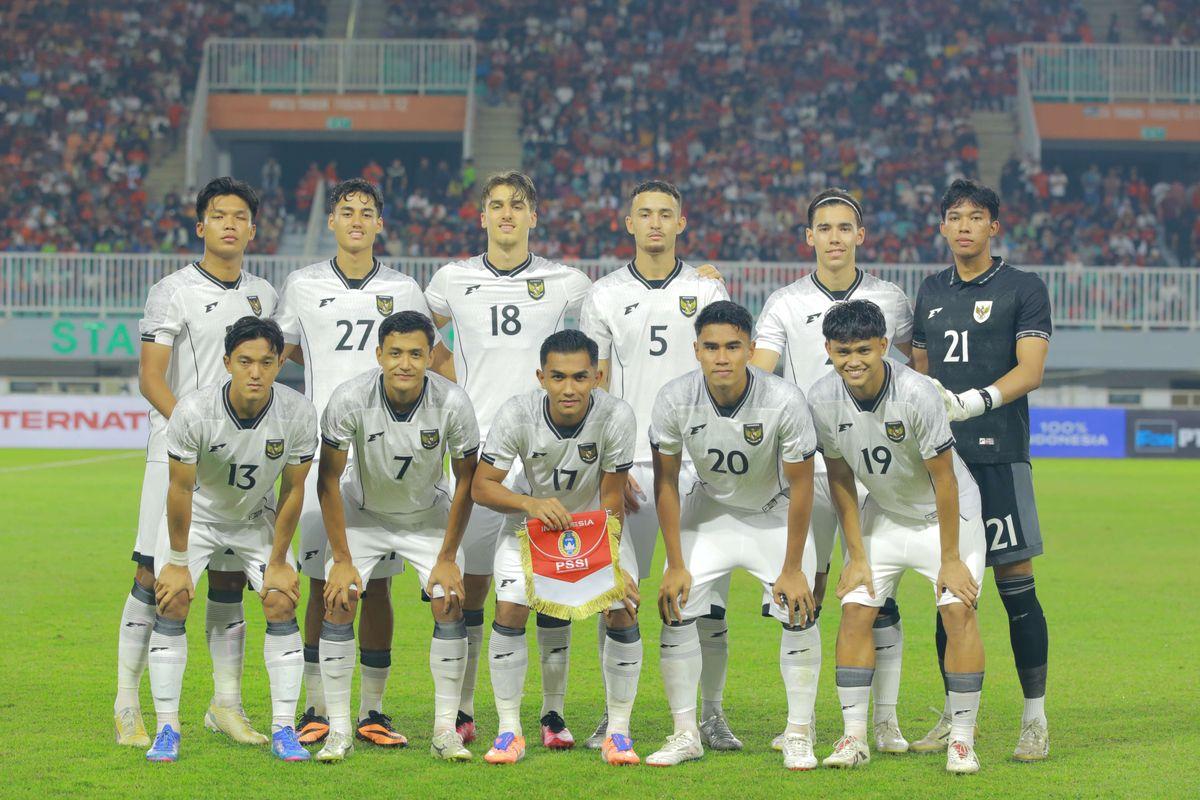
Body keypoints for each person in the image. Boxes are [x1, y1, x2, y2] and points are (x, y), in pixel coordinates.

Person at [275, 178, 451, 747]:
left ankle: (373, 710)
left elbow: (431, 350)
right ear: (331, 221)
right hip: (328, 452)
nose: (356, 220)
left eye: (367, 212)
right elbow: (286, 347)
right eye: (346, 211)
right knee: (323, 579)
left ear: (380, 224)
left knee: (377, 588)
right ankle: (317, 706)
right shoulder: (302, 285)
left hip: (389, 453)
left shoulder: (404, 287)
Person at [425, 171, 592, 747]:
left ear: (533, 216)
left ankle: (550, 714)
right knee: (469, 588)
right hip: (477, 453)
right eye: (496, 205)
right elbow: (422, 340)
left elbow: (619, 317)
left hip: (546, 450)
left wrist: (699, 273)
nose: (506, 214)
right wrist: (456, 384)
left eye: (517, 205)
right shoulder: (452, 278)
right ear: (482, 217)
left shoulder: (566, 281)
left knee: (550, 584)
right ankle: (466, 710)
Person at [750, 187, 914, 753]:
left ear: (861, 235)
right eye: (825, 227)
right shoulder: (784, 304)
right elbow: (761, 378)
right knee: (805, 588)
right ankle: (801, 721)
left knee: (878, 592)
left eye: (846, 227)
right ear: (810, 237)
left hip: (880, 465)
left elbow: (913, 374)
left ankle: (885, 723)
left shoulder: (890, 299)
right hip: (811, 467)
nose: (836, 237)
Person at [117, 177, 277, 748]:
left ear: (253, 229)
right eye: (218, 215)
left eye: (240, 216)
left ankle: (225, 705)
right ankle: (126, 705)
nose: (229, 224)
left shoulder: (265, 295)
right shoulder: (173, 291)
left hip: (243, 463)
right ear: (200, 226)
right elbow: (151, 378)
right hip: (177, 455)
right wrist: (193, 433)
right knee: (152, 576)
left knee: (230, 578)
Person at [579, 179, 736, 750]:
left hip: (696, 467)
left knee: (705, 602)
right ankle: (613, 715)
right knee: (617, 597)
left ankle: (709, 716)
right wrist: (608, 471)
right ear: (627, 222)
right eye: (643, 213)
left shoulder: (706, 287)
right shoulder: (601, 294)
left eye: (664, 214)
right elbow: (594, 385)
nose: (653, 223)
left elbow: (726, 369)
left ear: (681, 223)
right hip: (629, 467)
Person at [807, 299, 986, 775]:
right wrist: (855, 555)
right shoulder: (822, 397)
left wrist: (950, 559)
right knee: (854, 610)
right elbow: (841, 478)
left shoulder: (917, 393)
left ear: (884, 346)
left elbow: (945, 480)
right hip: (884, 513)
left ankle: (963, 741)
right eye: (843, 350)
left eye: (864, 349)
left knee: (957, 611)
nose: (854, 360)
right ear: (828, 349)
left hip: (947, 515)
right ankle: (854, 738)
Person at [911, 178, 1052, 762]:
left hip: (998, 455)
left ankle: (1034, 718)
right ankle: (953, 713)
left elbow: (1032, 370)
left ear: (995, 226)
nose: (964, 226)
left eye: (976, 217)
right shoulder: (931, 290)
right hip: (942, 460)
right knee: (951, 591)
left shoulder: (1024, 286)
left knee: (1015, 584)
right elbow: (919, 370)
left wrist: (977, 401)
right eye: (954, 216)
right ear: (942, 227)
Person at [647, 301, 821, 771]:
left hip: (773, 514)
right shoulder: (674, 397)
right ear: (696, 350)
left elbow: (803, 485)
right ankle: (686, 733)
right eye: (711, 347)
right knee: (676, 606)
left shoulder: (784, 400)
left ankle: (799, 733)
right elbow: (666, 482)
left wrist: (792, 568)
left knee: (800, 612)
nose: (721, 357)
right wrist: (676, 562)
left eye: (732, 346)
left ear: (750, 349)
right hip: (711, 511)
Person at [145, 317, 318, 763]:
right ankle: (167, 727)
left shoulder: (298, 412)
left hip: (253, 519)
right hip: (198, 518)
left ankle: (284, 729)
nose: (255, 372)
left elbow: (294, 490)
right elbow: (180, 489)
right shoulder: (193, 411)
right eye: (245, 361)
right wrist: (178, 559)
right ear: (227, 363)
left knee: (281, 598)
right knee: (174, 599)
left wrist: (280, 559)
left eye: (265, 361)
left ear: (281, 362)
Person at [313, 311, 480, 762]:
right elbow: (327, 480)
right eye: (395, 353)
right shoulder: (349, 399)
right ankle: (340, 731)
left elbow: (467, 481)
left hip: (427, 518)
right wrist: (343, 557)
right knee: (340, 597)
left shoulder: (453, 402)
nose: (404, 363)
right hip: (363, 515)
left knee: (449, 598)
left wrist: (447, 556)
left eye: (415, 353)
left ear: (429, 356)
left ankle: (446, 730)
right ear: (378, 355)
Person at [471, 329, 641, 766]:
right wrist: (530, 503)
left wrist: (611, 569)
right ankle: (510, 731)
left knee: (622, 607)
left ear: (598, 377)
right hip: (529, 528)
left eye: (581, 377)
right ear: (540, 377)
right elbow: (481, 486)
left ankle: (618, 735)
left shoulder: (617, 416)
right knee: (510, 608)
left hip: (596, 527)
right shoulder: (516, 414)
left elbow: (611, 502)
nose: (569, 388)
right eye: (558, 377)